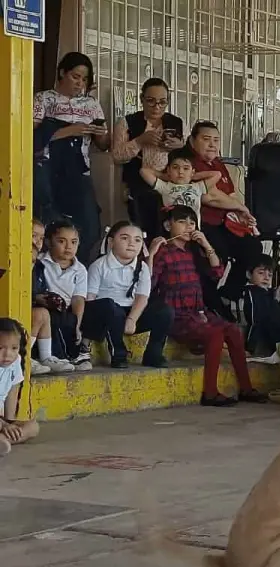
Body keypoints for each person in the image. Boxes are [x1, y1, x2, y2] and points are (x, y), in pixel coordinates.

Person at [150, 206, 268, 407]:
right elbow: (149, 282)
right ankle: (210, 392)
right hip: (177, 315)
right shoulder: (163, 252)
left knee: (232, 330)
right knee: (215, 334)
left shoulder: (194, 251)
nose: (188, 227)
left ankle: (246, 388)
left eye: (192, 223)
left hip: (198, 312)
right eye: (182, 222)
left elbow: (217, 272)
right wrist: (151, 253)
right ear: (168, 225)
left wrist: (205, 243)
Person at [32, 52, 110, 262]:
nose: (80, 83)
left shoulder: (92, 104)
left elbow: (103, 146)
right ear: (62, 73)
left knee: (89, 225)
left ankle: (77, 271)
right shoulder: (43, 99)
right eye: (76, 76)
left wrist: (101, 134)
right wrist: (70, 130)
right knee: (49, 219)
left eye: (85, 79)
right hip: (48, 170)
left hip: (79, 170)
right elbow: (31, 138)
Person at [187, 121, 262, 302]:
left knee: (253, 247)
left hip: (225, 222)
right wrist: (240, 207)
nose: (212, 145)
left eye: (216, 140)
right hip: (202, 221)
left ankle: (229, 294)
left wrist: (241, 215)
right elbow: (208, 196)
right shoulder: (187, 164)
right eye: (206, 139)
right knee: (218, 251)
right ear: (192, 141)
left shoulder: (218, 164)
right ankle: (211, 300)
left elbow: (231, 195)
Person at [83, 222, 173, 369]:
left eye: (137, 240)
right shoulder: (98, 266)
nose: (132, 243)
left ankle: (153, 354)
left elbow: (142, 297)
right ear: (111, 242)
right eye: (125, 238)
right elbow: (90, 298)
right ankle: (118, 355)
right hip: (107, 315)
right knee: (111, 307)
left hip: (131, 313)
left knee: (164, 311)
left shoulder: (142, 267)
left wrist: (132, 319)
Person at [111, 77, 187, 238]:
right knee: (147, 206)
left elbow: (189, 154)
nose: (157, 107)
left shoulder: (177, 123)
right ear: (141, 99)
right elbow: (117, 156)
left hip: (172, 182)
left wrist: (179, 146)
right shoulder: (127, 122)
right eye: (151, 101)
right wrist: (139, 141)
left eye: (162, 102)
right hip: (140, 183)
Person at [35, 221, 92, 371]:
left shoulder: (80, 270)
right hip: (46, 307)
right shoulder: (40, 262)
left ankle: (76, 354)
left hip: (67, 310)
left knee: (79, 316)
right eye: (61, 241)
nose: (68, 247)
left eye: (74, 242)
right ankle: (57, 357)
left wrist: (77, 325)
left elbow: (78, 298)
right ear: (48, 242)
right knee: (51, 316)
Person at [28, 219, 68, 375]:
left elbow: (38, 289)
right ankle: (22, 357)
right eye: (33, 235)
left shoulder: (39, 265)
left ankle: (46, 357)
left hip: (30, 305)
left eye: (41, 237)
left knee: (44, 313)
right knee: (38, 314)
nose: (38, 241)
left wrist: (43, 297)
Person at [0, 319, 39, 456]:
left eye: (14, 348)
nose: (7, 354)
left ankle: (3, 440)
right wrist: (4, 425)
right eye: (0, 348)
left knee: (33, 427)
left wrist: (10, 423)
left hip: (2, 419)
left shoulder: (15, 361)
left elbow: (12, 391)